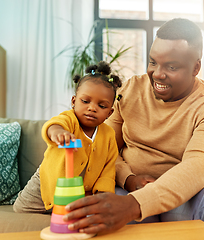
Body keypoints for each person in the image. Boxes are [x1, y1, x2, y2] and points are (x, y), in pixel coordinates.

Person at [62, 18, 204, 240]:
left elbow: (197, 167)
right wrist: (128, 179)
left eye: (172, 67)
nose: (157, 74)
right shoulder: (130, 89)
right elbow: (104, 146)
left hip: (189, 195)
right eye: (153, 62)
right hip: (130, 188)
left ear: (195, 68)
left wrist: (135, 205)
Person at [13, 61, 122, 212]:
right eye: (85, 101)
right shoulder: (70, 119)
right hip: (48, 183)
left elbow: (108, 168)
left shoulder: (108, 134)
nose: (92, 108)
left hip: (78, 191)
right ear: (73, 101)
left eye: (102, 106)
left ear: (110, 113)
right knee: (21, 209)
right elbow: (55, 124)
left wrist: (103, 194)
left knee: (70, 216)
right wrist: (58, 132)